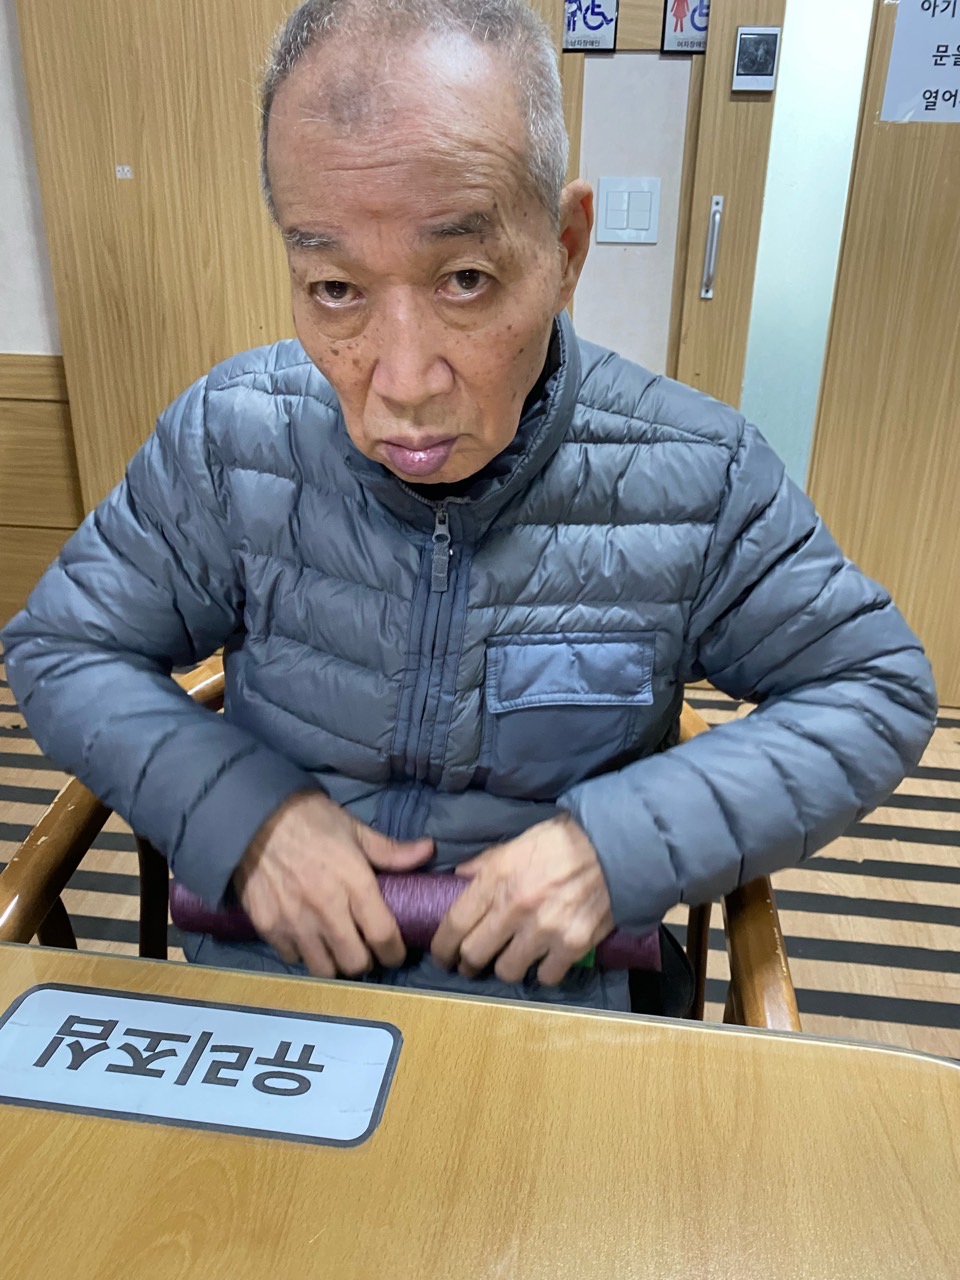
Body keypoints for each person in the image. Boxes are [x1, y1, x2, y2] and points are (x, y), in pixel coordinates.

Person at [2, 0, 936, 1014]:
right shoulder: (231, 439)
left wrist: (615, 846)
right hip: (275, 997)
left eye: (465, 278)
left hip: (554, 1010)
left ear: (565, 247)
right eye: (334, 288)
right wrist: (247, 817)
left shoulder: (697, 474)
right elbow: (62, 646)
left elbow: (874, 687)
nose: (403, 382)